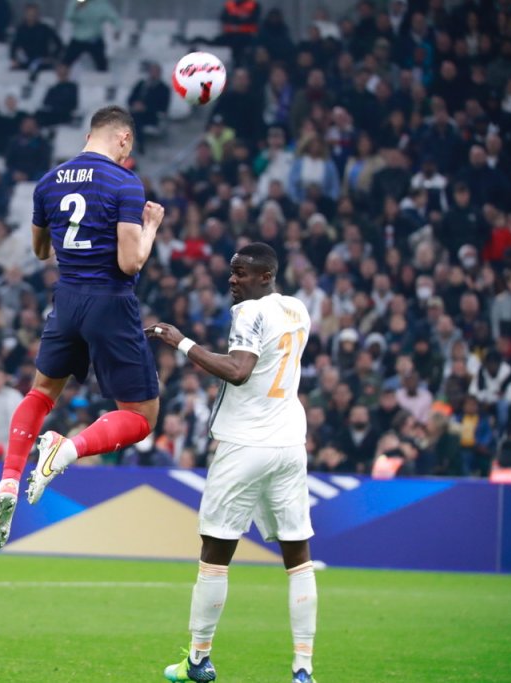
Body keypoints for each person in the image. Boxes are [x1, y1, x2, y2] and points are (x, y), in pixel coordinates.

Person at [0, 105, 164, 550]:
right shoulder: (125, 182)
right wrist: (151, 227)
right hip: (110, 302)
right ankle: (66, 451)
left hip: (66, 300)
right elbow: (130, 261)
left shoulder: (47, 183)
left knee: (40, 393)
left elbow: (41, 249)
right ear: (122, 138)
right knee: (142, 417)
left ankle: (8, 482)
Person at [146, 242, 317, 683]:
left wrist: (180, 341)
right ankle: (303, 670)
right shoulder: (298, 309)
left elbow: (239, 370)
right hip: (289, 443)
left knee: (215, 555)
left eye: (241, 273)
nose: (232, 280)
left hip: (245, 444)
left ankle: (198, 660)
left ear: (265, 276)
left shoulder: (249, 313)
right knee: (297, 557)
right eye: (232, 271)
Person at [62, 0, 120, 72]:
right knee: (65, 63)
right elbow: (68, 17)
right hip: (78, 38)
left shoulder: (101, 3)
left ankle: (103, 79)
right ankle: (61, 80)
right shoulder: (77, 1)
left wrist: (118, 29)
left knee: (102, 66)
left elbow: (115, 18)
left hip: (95, 39)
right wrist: (77, 7)